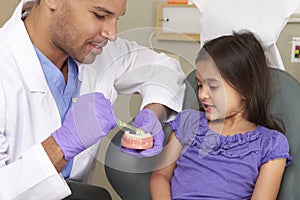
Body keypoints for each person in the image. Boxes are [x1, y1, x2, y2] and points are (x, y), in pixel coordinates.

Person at [0, 0, 186, 199]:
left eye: (117, 18)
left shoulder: (97, 52)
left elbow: (164, 69)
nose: (112, 34)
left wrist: (153, 114)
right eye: (100, 16)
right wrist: (60, 146)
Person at [150, 31, 292, 199]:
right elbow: (160, 176)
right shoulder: (188, 123)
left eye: (213, 86)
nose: (202, 94)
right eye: (200, 85)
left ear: (246, 89)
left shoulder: (270, 143)